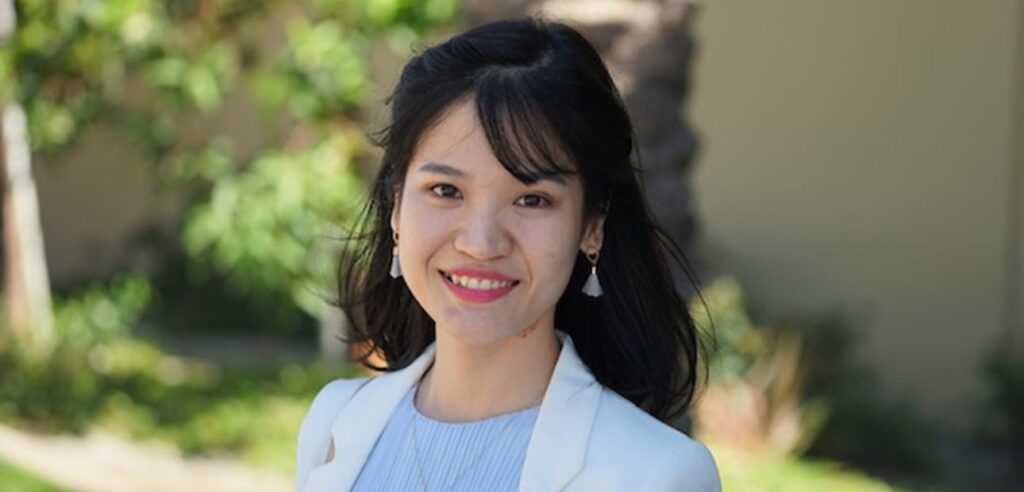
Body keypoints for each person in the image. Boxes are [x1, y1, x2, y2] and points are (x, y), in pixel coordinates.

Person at [295, 17, 721, 492]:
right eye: (445, 190)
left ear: (592, 226)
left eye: (532, 199)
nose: (480, 243)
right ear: (396, 208)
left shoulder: (654, 473)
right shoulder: (335, 421)